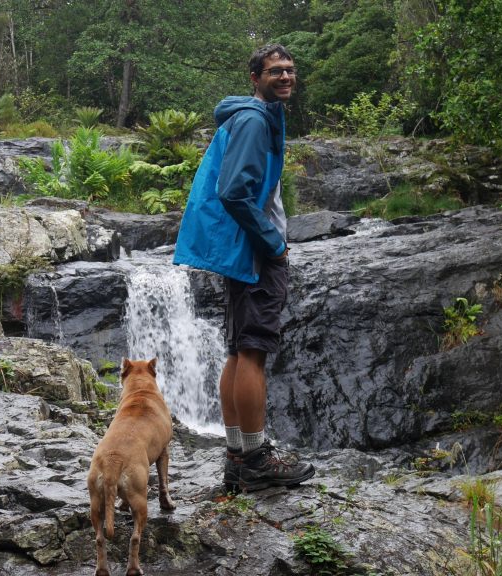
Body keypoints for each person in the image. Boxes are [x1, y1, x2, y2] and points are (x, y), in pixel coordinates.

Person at [173, 44, 316, 492]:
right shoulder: (255, 120)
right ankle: (254, 459)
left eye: (290, 70)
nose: (286, 77)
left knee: (238, 350)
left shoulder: (253, 116)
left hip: (241, 251)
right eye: (276, 71)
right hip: (256, 251)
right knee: (252, 350)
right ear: (254, 78)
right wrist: (273, 244)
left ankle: (237, 455)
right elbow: (234, 191)